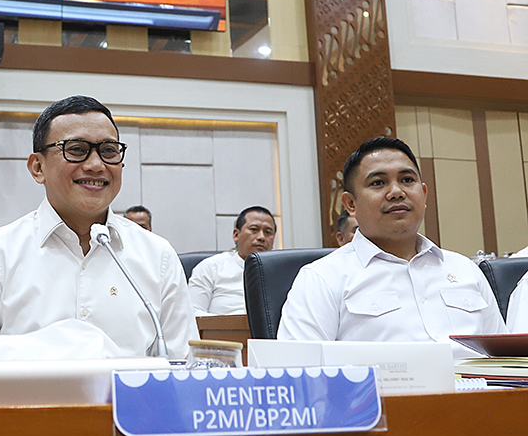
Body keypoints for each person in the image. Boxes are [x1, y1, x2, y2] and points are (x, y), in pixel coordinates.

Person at [0, 96, 193, 364]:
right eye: (77, 149)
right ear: (38, 167)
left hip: (129, 406)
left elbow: (185, 366)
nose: (96, 165)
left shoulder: (158, 256)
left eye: (108, 151)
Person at [278, 137, 506, 355]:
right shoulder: (322, 278)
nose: (397, 192)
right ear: (350, 204)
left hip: (478, 393)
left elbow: (508, 362)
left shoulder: (465, 269)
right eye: (378, 183)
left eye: (407, 180)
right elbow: (299, 372)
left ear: (424, 194)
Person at [188, 206, 276, 317]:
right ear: (236, 235)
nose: (261, 237)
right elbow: (192, 313)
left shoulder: (281, 274)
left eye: (268, 232)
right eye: (254, 230)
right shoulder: (211, 267)